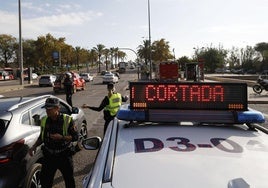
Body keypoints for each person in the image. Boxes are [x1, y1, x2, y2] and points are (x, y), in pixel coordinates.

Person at [28, 97, 78, 188]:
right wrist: (34, 146)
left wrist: (62, 137)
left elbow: (75, 137)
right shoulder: (44, 120)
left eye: (49, 109)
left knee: (69, 181)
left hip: (64, 156)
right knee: (45, 183)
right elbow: (41, 137)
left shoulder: (67, 119)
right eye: (46, 109)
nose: (47, 111)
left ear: (57, 108)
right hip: (49, 156)